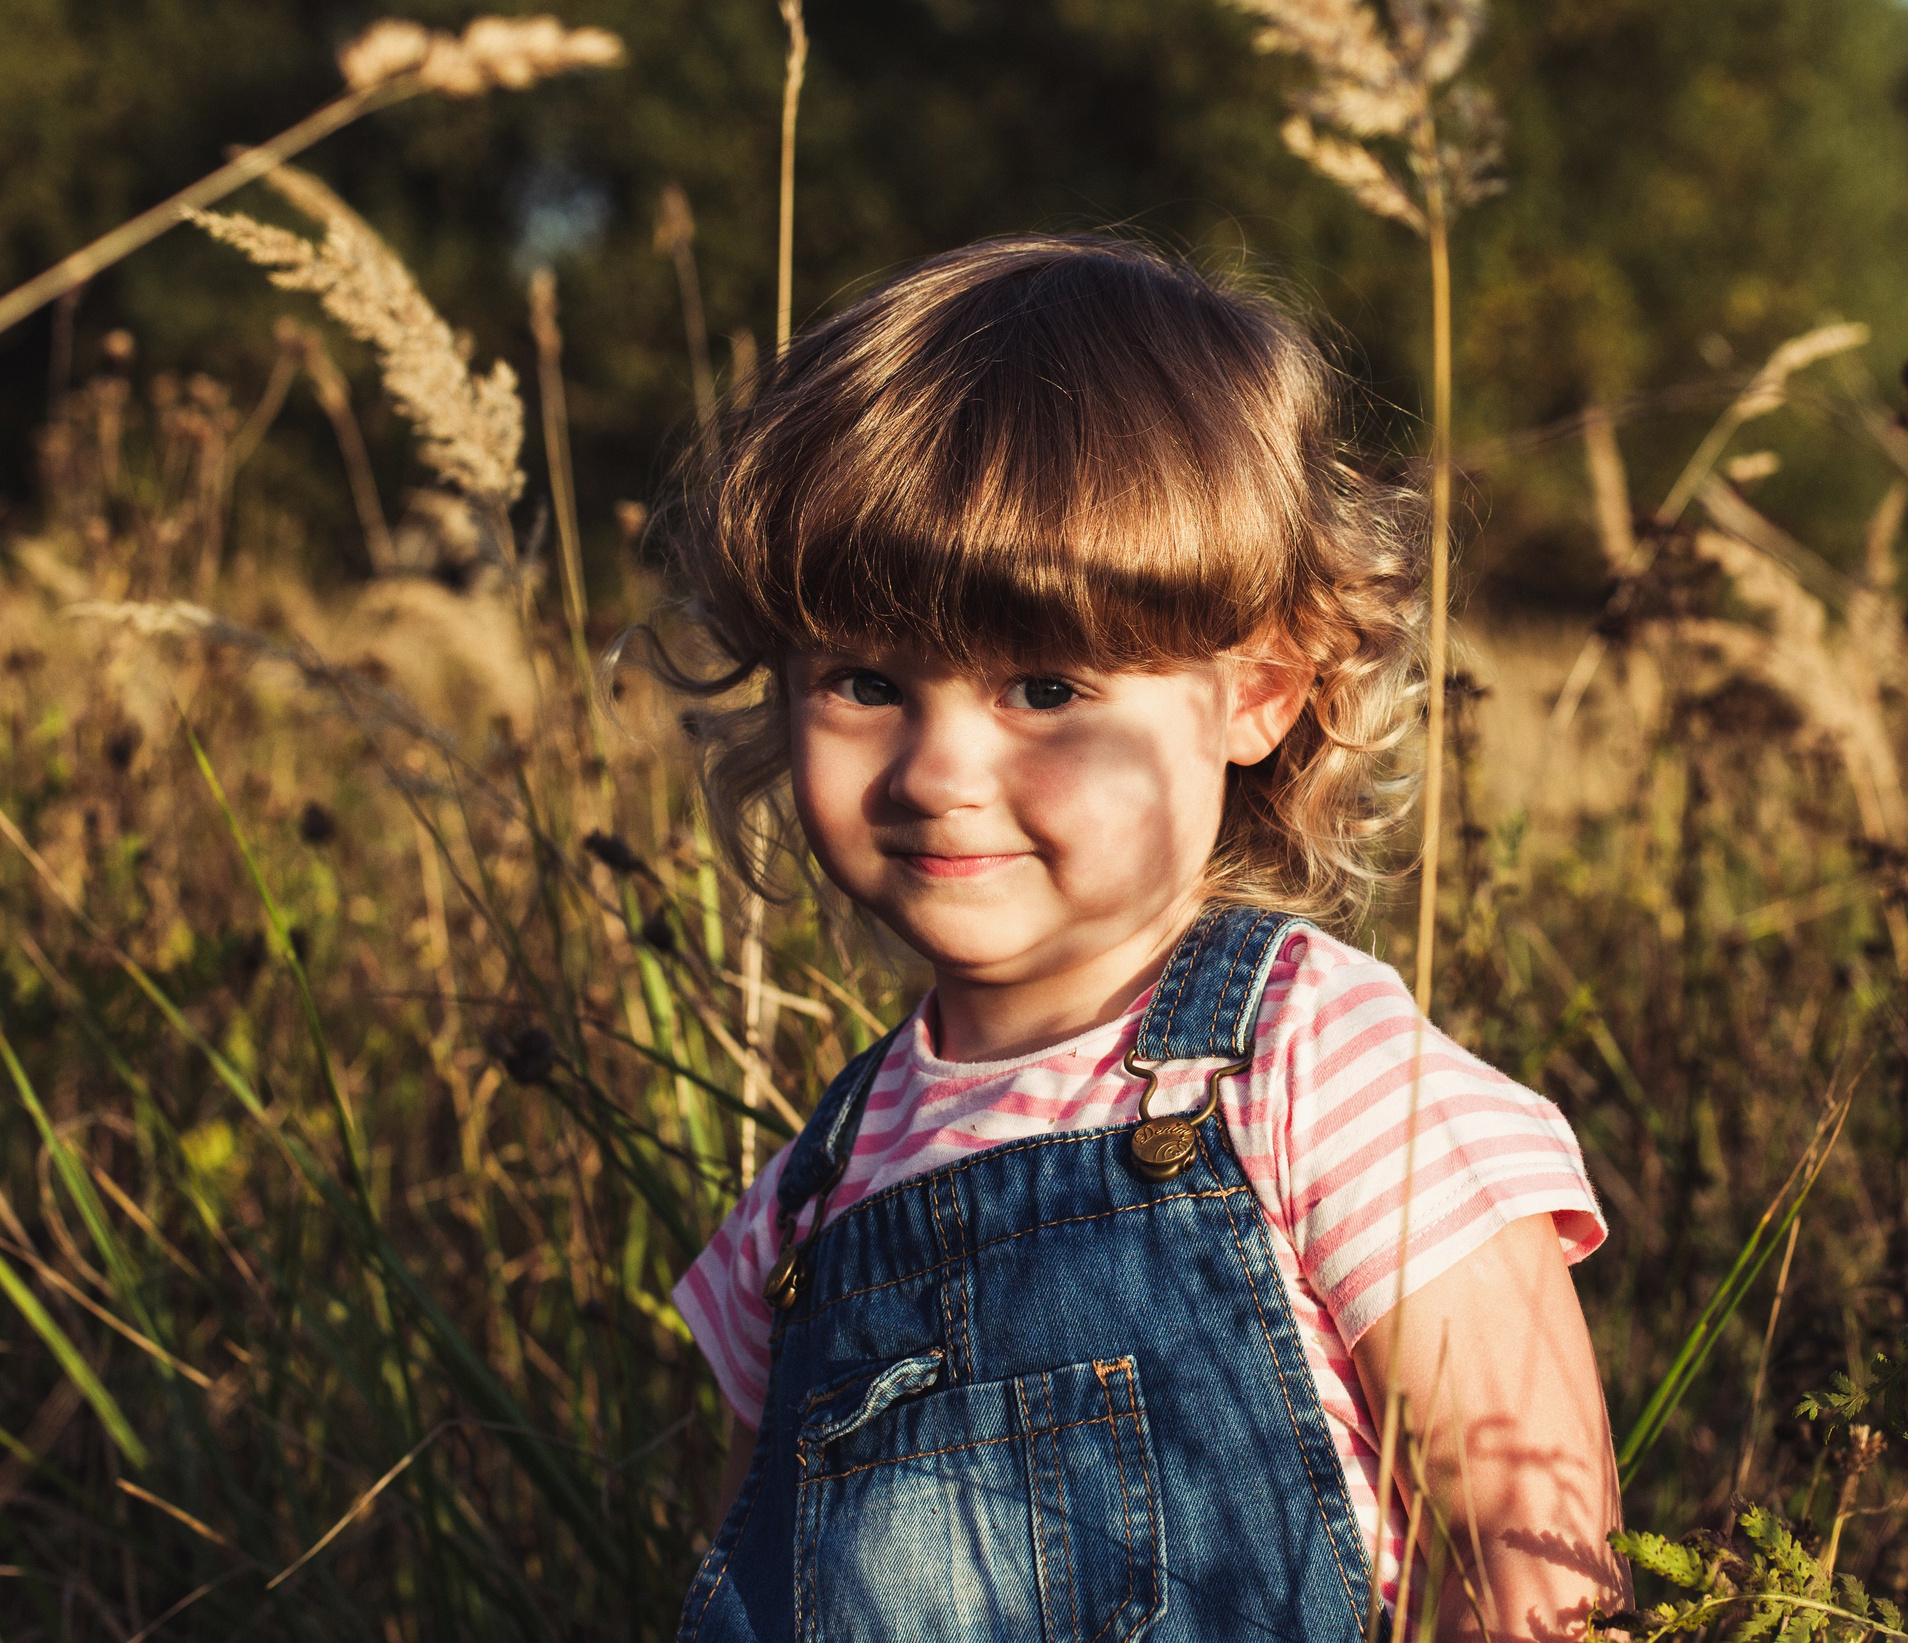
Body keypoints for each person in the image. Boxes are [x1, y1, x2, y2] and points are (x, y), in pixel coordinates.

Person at [652, 233, 1623, 1642]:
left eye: (1045, 685)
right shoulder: (813, 1192)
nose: (935, 769)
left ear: (1261, 692)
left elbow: (1532, 1544)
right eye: (864, 680)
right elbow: (762, 1579)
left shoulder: (1315, 1067)